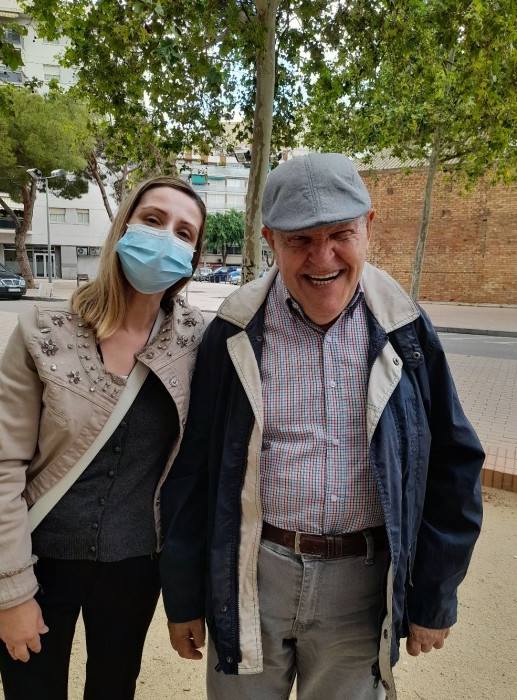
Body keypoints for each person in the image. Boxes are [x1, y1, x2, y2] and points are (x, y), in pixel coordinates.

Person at [160, 153, 485, 700]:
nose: (323, 257)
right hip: (250, 577)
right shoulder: (233, 331)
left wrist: (434, 595)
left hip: (361, 591)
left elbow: (454, 465)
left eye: (340, 234)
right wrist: (185, 597)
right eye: (300, 240)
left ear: (368, 228)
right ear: (270, 240)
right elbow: (192, 472)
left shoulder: (406, 330)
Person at [0, 175, 207, 699]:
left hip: (135, 569)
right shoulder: (44, 331)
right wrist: (10, 590)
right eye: (153, 220)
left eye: (184, 233)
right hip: (39, 561)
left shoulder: (197, 341)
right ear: (123, 227)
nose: (166, 238)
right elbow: (0, 465)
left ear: (193, 257)